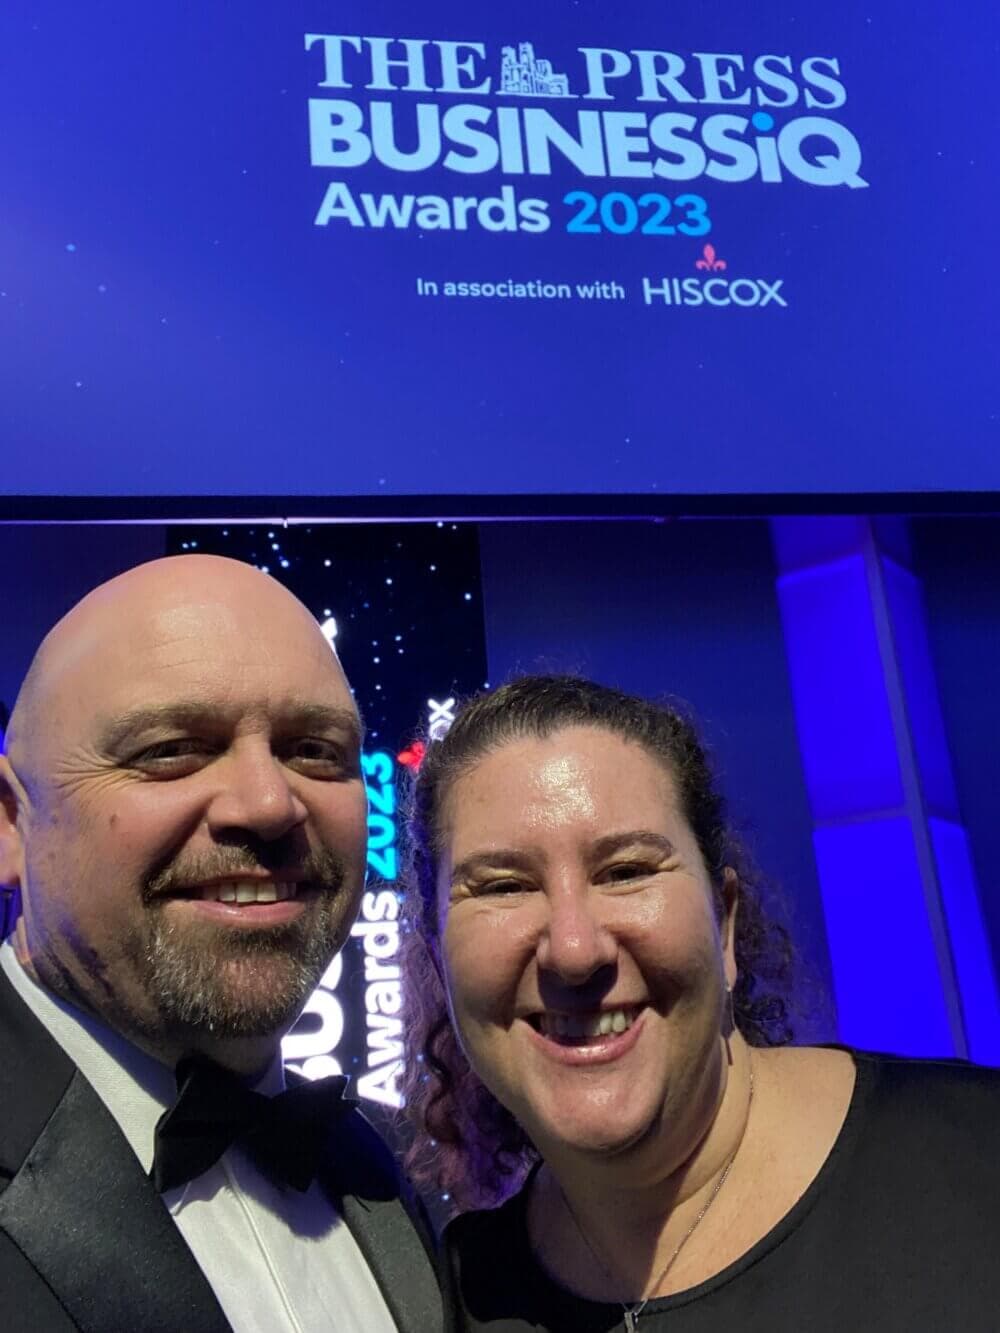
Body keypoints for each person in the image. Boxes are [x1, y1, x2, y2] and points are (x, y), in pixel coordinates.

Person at [399, 674, 1000, 1332]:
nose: (574, 948)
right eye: (505, 886)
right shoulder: (452, 1302)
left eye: (626, 870)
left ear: (724, 922)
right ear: (438, 960)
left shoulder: (977, 1166)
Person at [0, 555, 442, 1333]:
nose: (270, 803)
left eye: (314, 750)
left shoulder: (377, 1168)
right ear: (11, 823)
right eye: (171, 748)